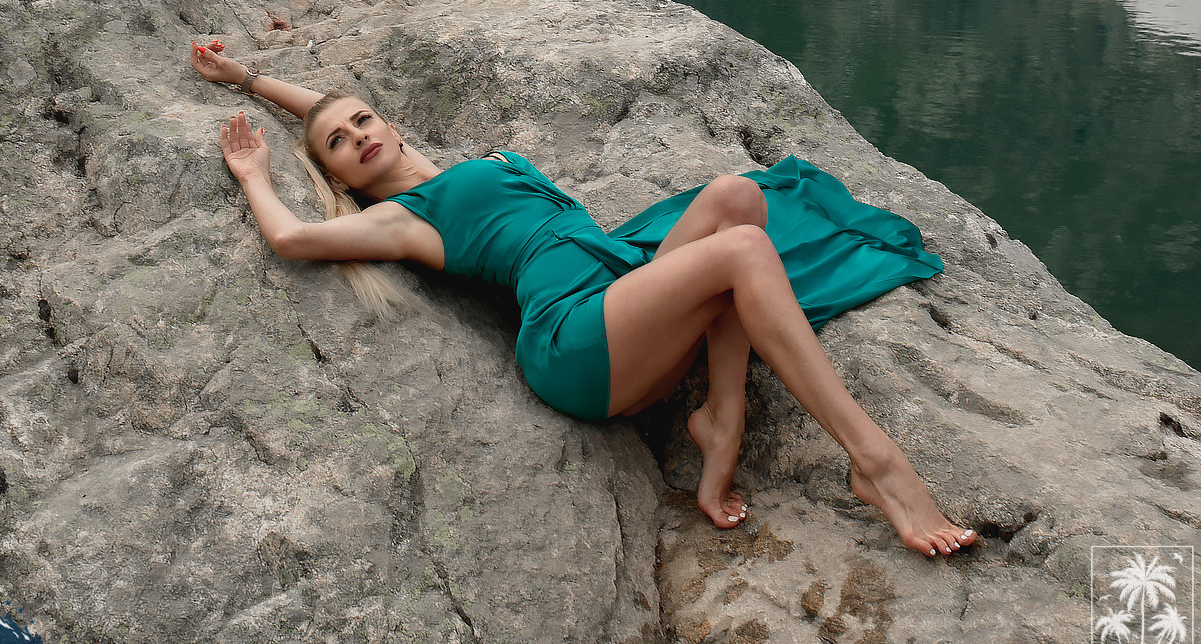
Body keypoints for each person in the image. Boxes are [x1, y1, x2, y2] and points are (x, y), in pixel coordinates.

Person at [191, 42, 977, 556]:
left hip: (617, 288)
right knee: (740, 248)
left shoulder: (433, 175)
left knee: (737, 199)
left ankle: (719, 423)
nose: (358, 135)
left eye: (364, 119)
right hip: (575, 342)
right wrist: (256, 173)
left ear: (389, 125)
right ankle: (876, 464)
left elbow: (331, 105)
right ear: (344, 180)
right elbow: (293, 240)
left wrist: (248, 79)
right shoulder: (404, 220)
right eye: (340, 144)